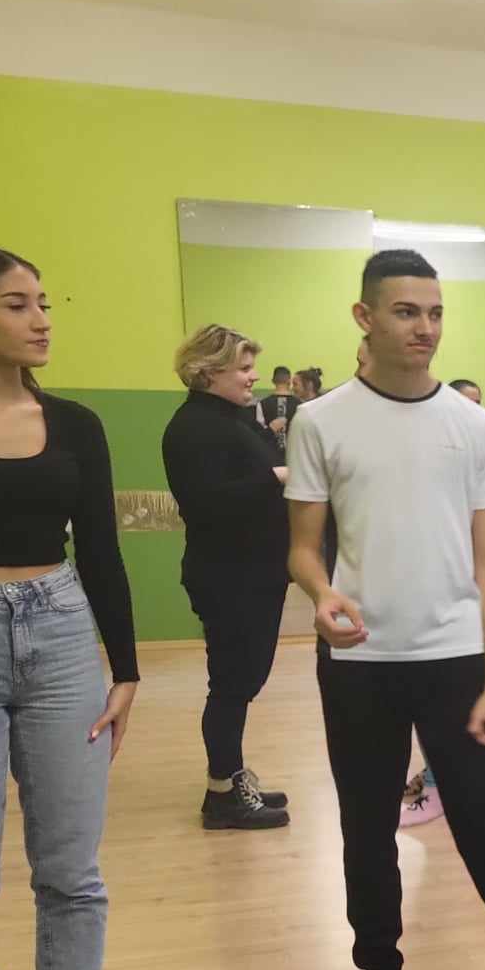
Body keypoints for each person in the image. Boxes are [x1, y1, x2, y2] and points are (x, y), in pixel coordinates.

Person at [284, 248, 485, 970]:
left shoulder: (474, 427)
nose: (425, 327)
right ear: (365, 317)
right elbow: (303, 548)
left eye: (436, 312)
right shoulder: (321, 422)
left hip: (456, 662)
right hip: (359, 663)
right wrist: (321, 593)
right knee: (366, 827)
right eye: (407, 311)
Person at [0, 246, 137, 970]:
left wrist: (128, 670)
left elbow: (102, 549)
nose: (41, 319)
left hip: (64, 634)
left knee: (70, 866)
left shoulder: (75, 422)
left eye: (43, 302)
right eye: (16, 303)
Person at [161, 324, 292, 830]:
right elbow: (206, 503)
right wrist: (273, 478)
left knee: (243, 681)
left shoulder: (234, 419)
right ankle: (222, 794)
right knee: (232, 685)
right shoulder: (193, 427)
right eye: (243, 368)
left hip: (255, 572)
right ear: (208, 371)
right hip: (229, 576)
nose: (253, 376)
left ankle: (232, 775)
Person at [258, 365, 298, 446]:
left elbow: (260, 432)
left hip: (269, 450)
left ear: (273, 381)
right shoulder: (300, 405)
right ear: (289, 381)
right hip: (293, 450)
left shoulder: (261, 404)